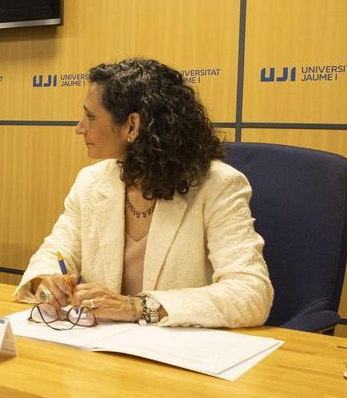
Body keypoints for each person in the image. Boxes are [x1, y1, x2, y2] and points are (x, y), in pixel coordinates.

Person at [14, 58, 272, 328]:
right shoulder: (91, 181)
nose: (80, 127)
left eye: (90, 116)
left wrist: (137, 307)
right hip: (97, 348)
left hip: (179, 354)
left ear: (132, 126)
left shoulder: (219, 186)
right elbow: (56, 252)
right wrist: (47, 281)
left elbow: (251, 293)